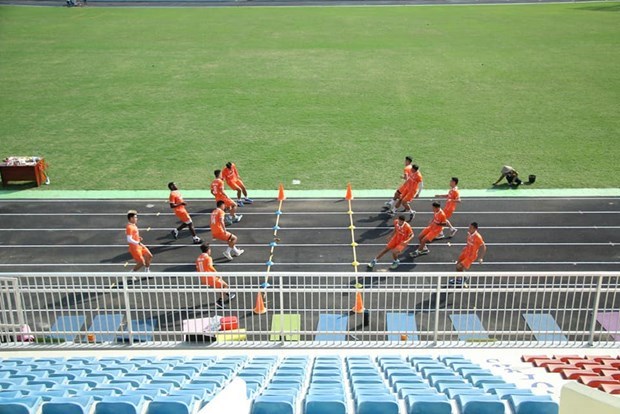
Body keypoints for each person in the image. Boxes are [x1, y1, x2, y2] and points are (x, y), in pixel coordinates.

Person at [196, 243, 236, 309]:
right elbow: (210, 266)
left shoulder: (198, 259)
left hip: (203, 277)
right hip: (210, 277)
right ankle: (220, 301)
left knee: (224, 284)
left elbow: (197, 268)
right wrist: (217, 273)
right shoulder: (208, 258)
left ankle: (229, 293)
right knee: (223, 286)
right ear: (208, 250)